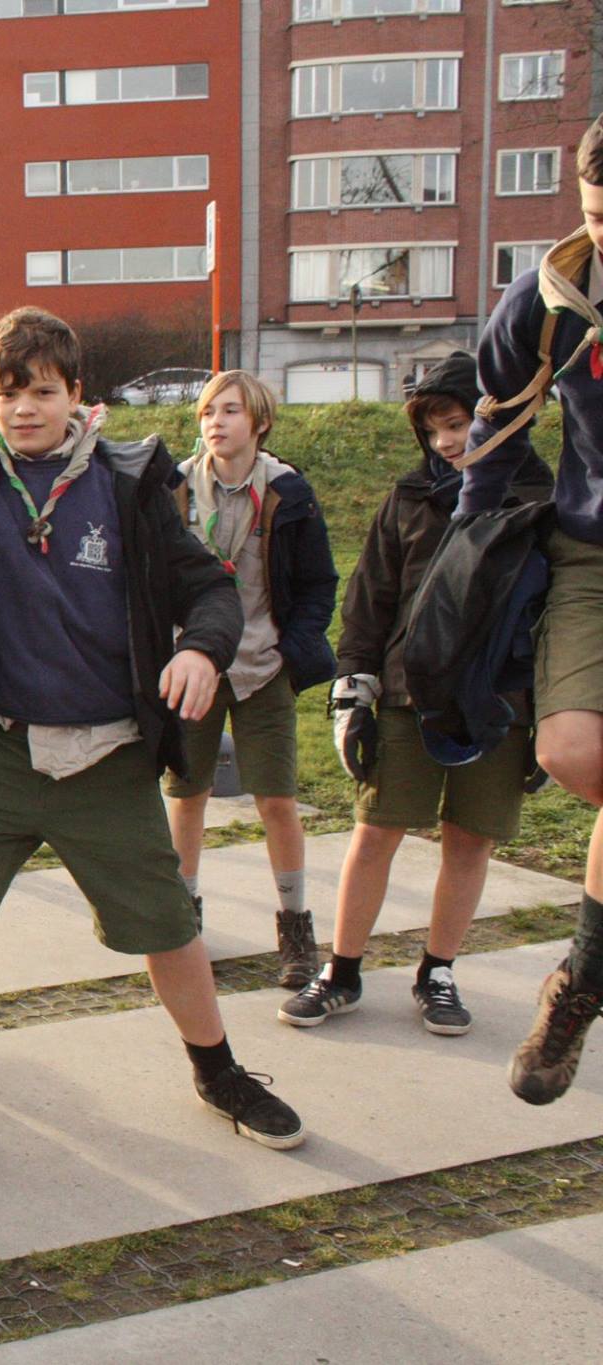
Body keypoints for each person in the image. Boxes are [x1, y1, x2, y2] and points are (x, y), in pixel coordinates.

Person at [0, 310, 307, 1181]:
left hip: (106, 757)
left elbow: (206, 588)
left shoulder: (129, 481)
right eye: (9, 391)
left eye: (43, 392)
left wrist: (203, 648)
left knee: (169, 929)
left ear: (75, 395)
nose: (23, 409)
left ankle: (221, 1073)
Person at [287, 353, 552, 1036]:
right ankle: (341, 970)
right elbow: (369, 601)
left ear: (494, 419)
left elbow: (561, 611)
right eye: (434, 430)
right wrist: (354, 692)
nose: (445, 442)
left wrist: (553, 716)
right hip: (410, 692)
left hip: (503, 701)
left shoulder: (541, 500)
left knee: (470, 840)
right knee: (377, 830)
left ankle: (437, 969)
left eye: (458, 424)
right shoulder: (408, 499)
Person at [460, 113, 603, 1104]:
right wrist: (462, 556)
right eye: (599, 216)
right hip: (593, 546)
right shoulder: (552, 300)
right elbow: (495, 425)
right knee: (571, 753)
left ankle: (578, 987)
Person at [164, 371, 337, 988]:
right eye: (208, 411)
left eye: (230, 410)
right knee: (187, 795)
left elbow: (320, 583)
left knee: (277, 800)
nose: (215, 421)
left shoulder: (289, 492)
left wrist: (295, 649)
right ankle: (183, 915)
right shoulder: (175, 487)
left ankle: (295, 924)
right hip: (194, 667)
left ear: (259, 422)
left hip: (265, 666)